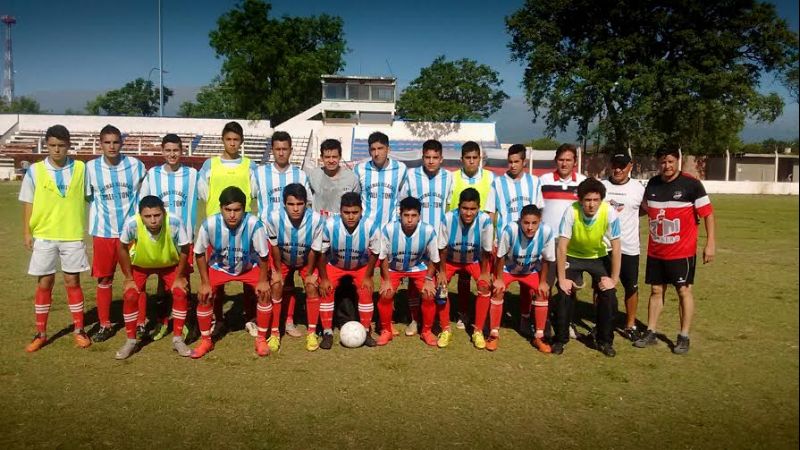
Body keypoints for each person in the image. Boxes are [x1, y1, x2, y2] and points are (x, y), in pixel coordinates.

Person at [634, 148, 715, 354]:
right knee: (656, 291)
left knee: (683, 291)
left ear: (678, 161)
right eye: (663, 162)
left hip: (682, 252)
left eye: (670, 161)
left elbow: (707, 214)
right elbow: (644, 209)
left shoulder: (691, 184)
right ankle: (651, 332)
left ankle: (684, 336)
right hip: (656, 251)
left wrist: (710, 243)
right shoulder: (653, 184)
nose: (667, 166)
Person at [19, 125, 92, 352]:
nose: (57, 150)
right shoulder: (35, 170)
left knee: (73, 282)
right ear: (46, 145)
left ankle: (79, 330)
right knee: (45, 282)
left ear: (69, 145)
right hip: (44, 234)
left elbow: (90, 197)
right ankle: (41, 333)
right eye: (52, 145)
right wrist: (27, 232)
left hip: (72, 234)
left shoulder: (80, 168)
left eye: (61, 145)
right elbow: (28, 202)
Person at [191, 186, 277, 359]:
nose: (232, 215)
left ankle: (261, 339)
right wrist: (205, 282)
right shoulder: (209, 224)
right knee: (204, 295)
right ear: (221, 208)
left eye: (237, 210)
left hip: (249, 266)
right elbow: (199, 253)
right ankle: (206, 341)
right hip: (219, 267)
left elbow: (263, 255)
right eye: (227, 209)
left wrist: (262, 281)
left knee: (264, 293)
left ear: (244, 210)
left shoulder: (254, 224)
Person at [196, 121, 258, 337]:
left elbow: (255, 192)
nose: (232, 143)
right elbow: (203, 193)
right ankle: (218, 318)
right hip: (216, 230)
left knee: (249, 275)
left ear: (241, 142)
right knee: (216, 277)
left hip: (243, 229)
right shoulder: (210, 165)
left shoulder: (250, 165)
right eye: (228, 139)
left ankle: (251, 318)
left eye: (236, 140)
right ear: (222, 140)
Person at [85, 124, 146, 342]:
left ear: (122, 143)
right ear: (100, 144)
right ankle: (105, 324)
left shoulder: (136, 165)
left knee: (137, 278)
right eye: (107, 142)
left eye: (115, 142)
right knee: (104, 278)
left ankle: (140, 322)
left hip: (131, 233)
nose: (111, 146)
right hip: (103, 232)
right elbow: (88, 196)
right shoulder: (90, 168)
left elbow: (144, 194)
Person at [139, 133, 199, 340]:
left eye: (176, 150)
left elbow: (206, 195)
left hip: (185, 238)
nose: (172, 154)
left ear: (182, 151)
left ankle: (188, 321)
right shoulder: (153, 174)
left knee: (184, 280)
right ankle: (162, 320)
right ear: (162, 151)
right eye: (168, 150)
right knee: (162, 282)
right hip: (160, 237)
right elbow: (143, 202)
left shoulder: (192, 174)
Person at [116, 196, 191, 359]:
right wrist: (128, 278)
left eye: (157, 215)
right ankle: (131, 341)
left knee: (180, 292)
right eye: (148, 216)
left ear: (164, 213)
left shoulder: (175, 222)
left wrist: (180, 276)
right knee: (130, 295)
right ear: (140, 216)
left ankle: (178, 339)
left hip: (169, 264)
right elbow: (121, 247)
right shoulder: (132, 223)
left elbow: (185, 247)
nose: (153, 220)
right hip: (141, 266)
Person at [254, 131, 313, 337]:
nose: (281, 153)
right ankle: (269, 321)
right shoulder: (259, 173)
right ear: (272, 150)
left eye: (284, 149)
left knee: (289, 280)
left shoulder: (300, 175)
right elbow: (251, 196)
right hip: (267, 235)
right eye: (277, 149)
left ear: (291, 150)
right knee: (273, 280)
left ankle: (288, 321)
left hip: (294, 235)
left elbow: (308, 203)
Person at [554, 178, 622, 357]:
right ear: (580, 200)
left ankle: (604, 341)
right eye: (587, 200)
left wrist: (613, 280)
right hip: (573, 256)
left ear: (601, 200)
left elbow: (616, 247)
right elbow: (562, 247)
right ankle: (560, 339)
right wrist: (562, 279)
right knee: (563, 293)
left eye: (595, 200)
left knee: (609, 295)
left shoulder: (609, 212)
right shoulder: (571, 211)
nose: (591, 205)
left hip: (598, 257)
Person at [399, 139, 453, 336]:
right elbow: (403, 204)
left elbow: (448, 208)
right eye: (427, 157)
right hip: (415, 237)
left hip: (438, 239)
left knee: (438, 280)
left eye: (435, 157)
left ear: (441, 158)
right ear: (422, 157)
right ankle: (415, 319)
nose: (431, 161)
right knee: (415, 281)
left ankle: (436, 318)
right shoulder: (411, 176)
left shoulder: (448, 177)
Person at [265, 183, 325, 352]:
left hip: (306, 259)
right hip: (282, 259)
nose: (296, 209)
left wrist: (310, 273)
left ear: (306, 203)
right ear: (284, 204)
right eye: (291, 204)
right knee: (276, 285)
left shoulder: (316, 220)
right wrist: (277, 271)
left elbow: (314, 249)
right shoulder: (274, 218)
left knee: (311, 286)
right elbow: (274, 246)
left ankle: (312, 332)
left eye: (300, 204)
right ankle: (275, 332)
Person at [492, 144, 544, 337]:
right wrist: (492, 239)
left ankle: (524, 318)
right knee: (498, 283)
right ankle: (494, 323)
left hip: (529, 241)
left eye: (516, 162)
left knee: (526, 284)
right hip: (505, 243)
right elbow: (491, 213)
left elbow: (539, 211)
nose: (512, 165)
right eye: (510, 161)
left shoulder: (534, 182)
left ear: (524, 162)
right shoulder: (498, 183)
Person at [318, 192, 381, 347]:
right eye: (346, 212)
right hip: (335, 265)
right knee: (326, 289)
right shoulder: (329, 225)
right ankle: (327, 332)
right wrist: (324, 278)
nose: (351, 217)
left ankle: (366, 331)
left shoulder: (371, 226)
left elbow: (375, 252)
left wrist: (368, 276)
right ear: (340, 212)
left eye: (355, 212)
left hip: (360, 267)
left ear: (361, 211)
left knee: (366, 290)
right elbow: (321, 253)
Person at [376, 197, 440, 347]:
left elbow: (434, 258)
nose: (410, 220)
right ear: (400, 215)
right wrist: (386, 280)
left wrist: (428, 280)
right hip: (393, 267)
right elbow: (383, 257)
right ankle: (385, 330)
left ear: (419, 216)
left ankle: (426, 331)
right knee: (386, 293)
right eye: (406, 215)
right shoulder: (389, 229)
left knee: (429, 294)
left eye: (413, 216)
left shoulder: (428, 230)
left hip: (417, 267)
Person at [539, 143, 586, 339]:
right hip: (549, 242)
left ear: (575, 162)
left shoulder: (583, 182)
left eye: (568, 160)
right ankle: (543, 321)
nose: (564, 163)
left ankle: (567, 322)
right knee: (546, 284)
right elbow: (537, 209)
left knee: (569, 286)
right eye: (561, 159)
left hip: (572, 243)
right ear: (555, 160)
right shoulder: (544, 180)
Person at [492, 205, 554, 353]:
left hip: (530, 270)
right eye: (526, 223)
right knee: (497, 290)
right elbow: (500, 256)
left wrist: (543, 282)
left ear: (540, 221)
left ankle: (539, 337)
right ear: (520, 220)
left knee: (542, 292)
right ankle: (493, 333)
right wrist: (499, 278)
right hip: (509, 269)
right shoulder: (510, 230)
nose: (530, 227)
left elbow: (546, 259)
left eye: (534, 223)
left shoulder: (546, 231)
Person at [448, 141, 496, 331]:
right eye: (467, 158)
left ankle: (483, 316)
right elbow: (449, 206)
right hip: (458, 235)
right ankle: (463, 312)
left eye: (475, 158)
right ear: (462, 159)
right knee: (462, 277)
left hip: (480, 235)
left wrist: (489, 235)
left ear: (479, 158)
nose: (471, 161)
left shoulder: (489, 177)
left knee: (483, 277)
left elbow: (491, 209)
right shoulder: (452, 177)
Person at [437, 188, 493, 349]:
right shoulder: (448, 218)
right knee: (440, 286)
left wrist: (484, 273)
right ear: (459, 207)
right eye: (465, 208)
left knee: (484, 285)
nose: (468, 213)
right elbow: (442, 248)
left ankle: (478, 331)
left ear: (479, 208)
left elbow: (486, 250)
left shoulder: (485, 221)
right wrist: (442, 272)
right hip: (450, 260)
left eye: (473, 209)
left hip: (473, 261)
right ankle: (445, 329)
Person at [601, 153, 645, 340]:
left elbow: (644, 209)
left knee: (631, 286)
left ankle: (630, 324)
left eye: (622, 166)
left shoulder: (638, 188)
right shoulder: (602, 186)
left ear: (630, 166)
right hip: (604, 246)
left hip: (629, 246)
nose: (618, 169)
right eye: (615, 165)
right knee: (601, 286)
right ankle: (602, 323)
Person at [353, 131, 408, 226]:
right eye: (373, 149)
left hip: (391, 227)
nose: (376, 153)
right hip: (366, 227)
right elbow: (354, 198)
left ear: (388, 149)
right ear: (369, 151)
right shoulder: (359, 169)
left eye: (380, 148)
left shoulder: (401, 168)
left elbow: (404, 196)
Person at [306, 138, 360, 217]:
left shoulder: (351, 178)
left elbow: (356, 204)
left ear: (340, 157)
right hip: (320, 223)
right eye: (327, 157)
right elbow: (307, 200)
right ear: (321, 158)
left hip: (340, 223)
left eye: (334, 157)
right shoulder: (313, 175)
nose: (331, 161)